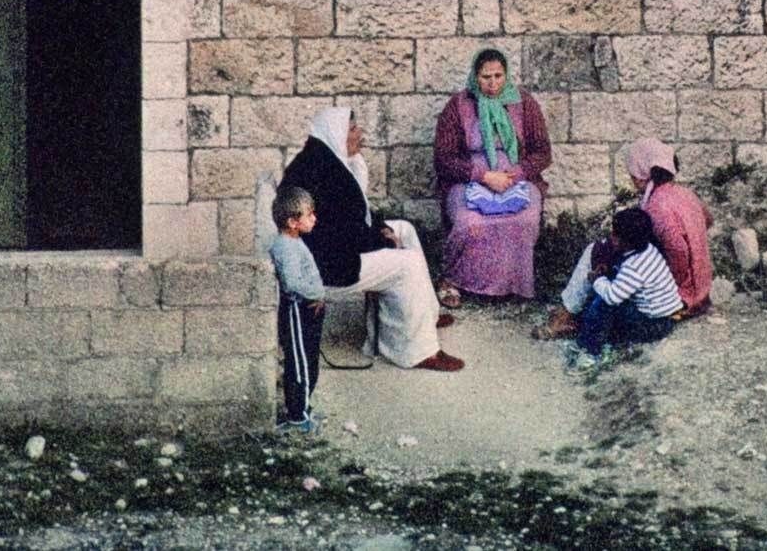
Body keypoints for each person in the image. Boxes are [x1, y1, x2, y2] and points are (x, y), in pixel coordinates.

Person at [280, 107, 465, 372]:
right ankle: (418, 350)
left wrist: (382, 231)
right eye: (354, 130)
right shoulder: (326, 172)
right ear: (337, 134)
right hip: (327, 267)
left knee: (404, 230)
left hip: (329, 250)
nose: (361, 135)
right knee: (407, 263)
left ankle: (424, 316)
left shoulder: (321, 158)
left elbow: (352, 217)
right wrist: (385, 242)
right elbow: (343, 234)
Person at [535, 138, 714, 340]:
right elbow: (708, 220)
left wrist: (671, 283)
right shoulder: (684, 193)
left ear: (641, 175)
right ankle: (572, 310)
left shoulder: (658, 206)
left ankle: (566, 315)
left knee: (595, 251)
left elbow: (678, 250)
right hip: (701, 289)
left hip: (683, 296)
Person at [432, 48, 553, 305]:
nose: (493, 83)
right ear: (475, 76)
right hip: (470, 178)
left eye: (499, 76)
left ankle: (511, 285)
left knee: (525, 221)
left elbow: (542, 152)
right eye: (486, 77)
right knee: (469, 222)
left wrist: (517, 173)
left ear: (506, 75)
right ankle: (453, 279)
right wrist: (482, 175)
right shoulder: (458, 106)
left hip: (515, 178)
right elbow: (444, 157)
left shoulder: (524, 103)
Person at [572, 207, 682, 366]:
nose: (611, 237)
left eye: (615, 236)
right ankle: (601, 334)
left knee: (602, 303)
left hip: (655, 324)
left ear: (627, 241)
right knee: (606, 293)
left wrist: (596, 279)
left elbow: (612, 297)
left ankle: (590, 351)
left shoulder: (634, 266)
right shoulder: (647, 249)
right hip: (667, 315)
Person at [269, 185, 324, 434]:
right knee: (299, 362)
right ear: (293, 222)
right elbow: (292, 283)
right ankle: (297, 416)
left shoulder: (296, 242)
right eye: (309, 214)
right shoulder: (285, 246)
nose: (314, 218)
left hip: (309, 310)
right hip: (297, 310)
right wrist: (316, 294)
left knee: (310, 360)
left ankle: (304, 407)